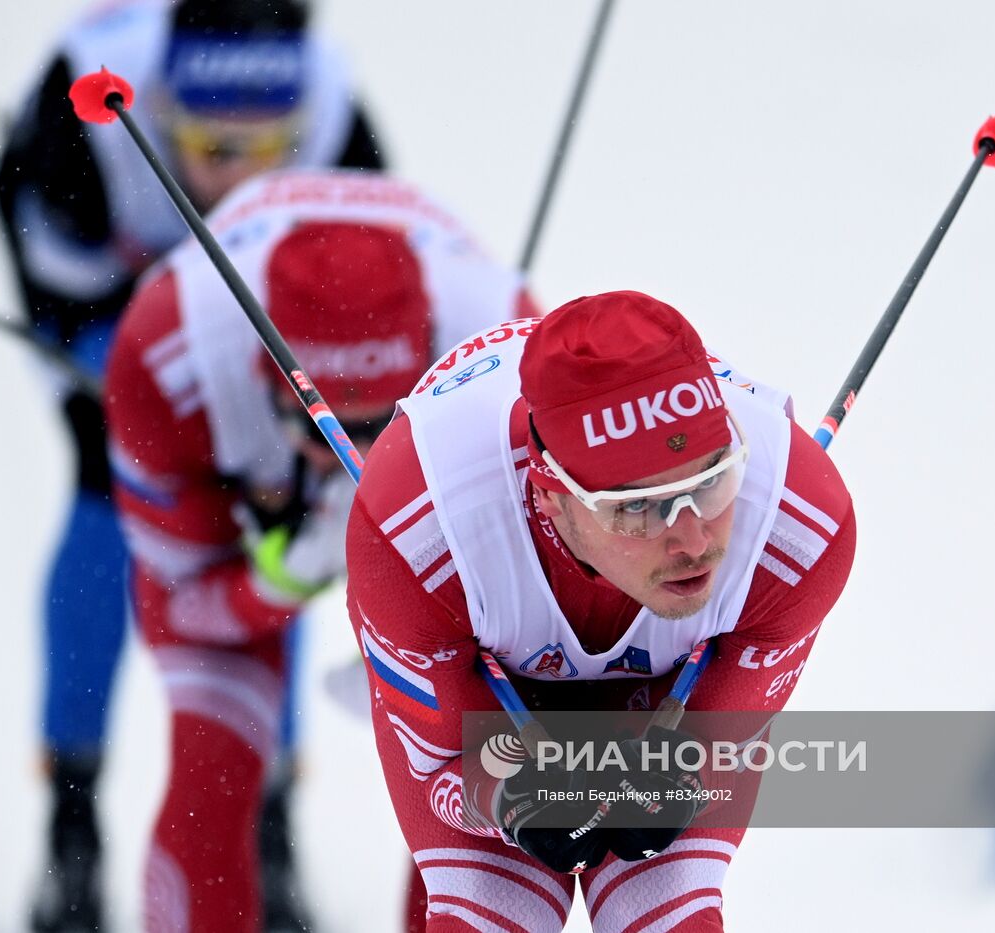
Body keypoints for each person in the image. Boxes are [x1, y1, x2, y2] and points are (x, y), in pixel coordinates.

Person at [0, 1, 386, 928]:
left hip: (264, 346)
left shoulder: (335, 111)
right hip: (117, 323)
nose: (238, 172)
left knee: (272, 546)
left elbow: (375, 271)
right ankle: (72, 826)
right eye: (210, 145)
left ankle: (267, 826)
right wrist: (108, 361)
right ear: (165, 112)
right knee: (103, 514)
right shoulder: (80, 115)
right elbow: (42, 257)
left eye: (269, 146)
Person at [104, 168, 540, 932]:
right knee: (214, 757)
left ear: (429, 374)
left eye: (381, 424)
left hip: (456, 506)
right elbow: (184, 607)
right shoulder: (167, 357)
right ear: (263, 379)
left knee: (492, 769)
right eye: (321, 426)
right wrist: (281, 574)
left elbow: (536, 610)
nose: (349, 456)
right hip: (247, 495)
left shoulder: (510, 364)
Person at [345, 291, 857, 931]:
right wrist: (506, 796)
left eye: (712, 481)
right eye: (639, 508)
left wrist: (690, 771)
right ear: (552, 497)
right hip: (489, 695)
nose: (694, 540)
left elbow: (722, 744)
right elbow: (443, 770)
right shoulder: (416, 536)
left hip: (667, 696)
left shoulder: (796, 529)